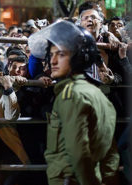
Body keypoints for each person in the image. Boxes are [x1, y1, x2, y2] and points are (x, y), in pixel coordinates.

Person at [28, 20, 119, 185]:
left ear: (78, 58)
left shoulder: (71, 96)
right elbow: (111, 154)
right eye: (51, 54)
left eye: (61, 54)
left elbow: (78, 153)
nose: (53, 61)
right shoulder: (96, 93)